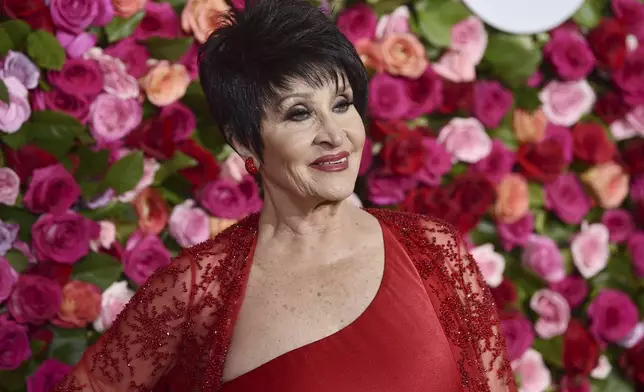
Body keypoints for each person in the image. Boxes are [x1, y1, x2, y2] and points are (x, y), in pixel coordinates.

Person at [54, 0, 517, 391]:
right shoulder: (197, 291)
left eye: (341, 104)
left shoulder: (432, 252)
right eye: (299, 114)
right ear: (245, 141)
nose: (334, 135)